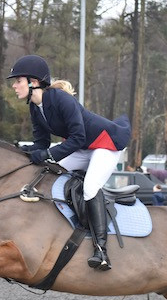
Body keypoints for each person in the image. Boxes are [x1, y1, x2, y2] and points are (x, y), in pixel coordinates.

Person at [8, 54, 130, 271]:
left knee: (91, 188)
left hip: (105, 144)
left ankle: (101, 250)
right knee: (47, 172)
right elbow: (41, 143)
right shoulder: (36, 107)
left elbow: (78, 137)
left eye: (18, 81)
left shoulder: (61, 99)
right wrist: (22, 152)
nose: (15, 86)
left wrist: (47, 154)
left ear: (33, 82)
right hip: (83, 148)